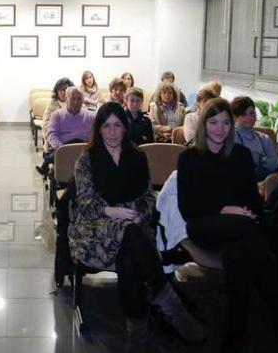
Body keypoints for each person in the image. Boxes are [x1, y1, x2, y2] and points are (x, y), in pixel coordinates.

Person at [69, 102, 204, 346]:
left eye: (117, 126)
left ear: (124, 128)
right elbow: (86, 204)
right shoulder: (86, 160)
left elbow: (147, 196)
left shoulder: (137, 157)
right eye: (106, 126)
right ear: (98, 129)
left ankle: (137, 337)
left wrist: (139, 214)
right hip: (94, 230)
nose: (112, 132)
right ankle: (168, 301)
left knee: (129, 259)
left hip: (134, 227)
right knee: (129, 233)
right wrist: (115, 211)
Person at [178, 98, 278, 351]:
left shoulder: (240, 155)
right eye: (213, 122)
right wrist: (226, 209)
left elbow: (251, 199)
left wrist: (251, 215)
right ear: (203, 125)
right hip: (202, 225)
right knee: (250, 236)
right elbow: (188, 208)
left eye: (225, 123)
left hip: (240, 229)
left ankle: (234, 335)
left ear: (231, 125)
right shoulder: (189, 157)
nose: (220, 129)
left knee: (238, 256)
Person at [36, 87, 94, 175]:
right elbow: (51, 134)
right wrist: (62, 148)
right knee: (57, 154)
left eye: (79, 99)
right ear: (66, 99)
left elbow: (94, 135)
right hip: (62, 147)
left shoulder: (89, 116)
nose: (76, 102)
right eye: (73, 99)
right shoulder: (57, 115)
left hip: (83, 149)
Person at [231, 96, 278, 181]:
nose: (249, 118)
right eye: (243, 115)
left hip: (264, 179)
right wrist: (262, 160)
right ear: (235, 117)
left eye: (252, 113)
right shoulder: (231, 136)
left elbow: (274, 163)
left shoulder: (265, 138)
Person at [41, 78, 73, 150]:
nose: (63, 92)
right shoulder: (52, 106)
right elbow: (46, 127)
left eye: (65, 89)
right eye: (60, 90)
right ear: (57, 91)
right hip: (57, 143)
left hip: (74, 141)